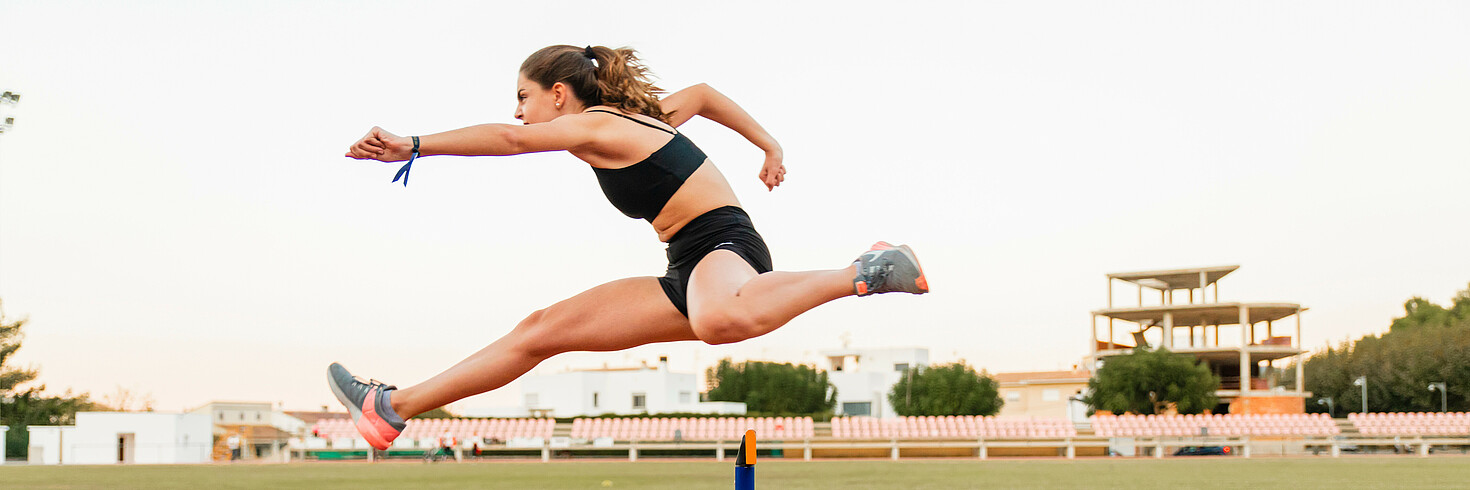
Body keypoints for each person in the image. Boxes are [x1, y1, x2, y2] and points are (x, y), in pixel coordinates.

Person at [329, 45, 928, 450]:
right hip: (684, 268)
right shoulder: (647, 117)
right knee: (541, 330)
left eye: (524, 96)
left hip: (724, 245)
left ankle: (866, 267)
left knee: (719, 318)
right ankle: (391, 407)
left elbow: (511, 139)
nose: (518, 110)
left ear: (559, 94)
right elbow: (704, 94)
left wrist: (414, 143)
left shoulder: (600, 126)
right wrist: (768, 145)